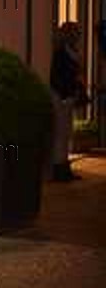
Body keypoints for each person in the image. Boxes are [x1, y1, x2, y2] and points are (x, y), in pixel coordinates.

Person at [50, 22, 85, 182]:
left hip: (68, 96)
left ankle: (64, 166)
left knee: (66, 133)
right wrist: (64, 94)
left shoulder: (71, 52)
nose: (78, 36)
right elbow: (57, 76)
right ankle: (59, 168)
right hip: (61, 96)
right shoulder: (60, 53)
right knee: (61, 134)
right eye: (76, 33)